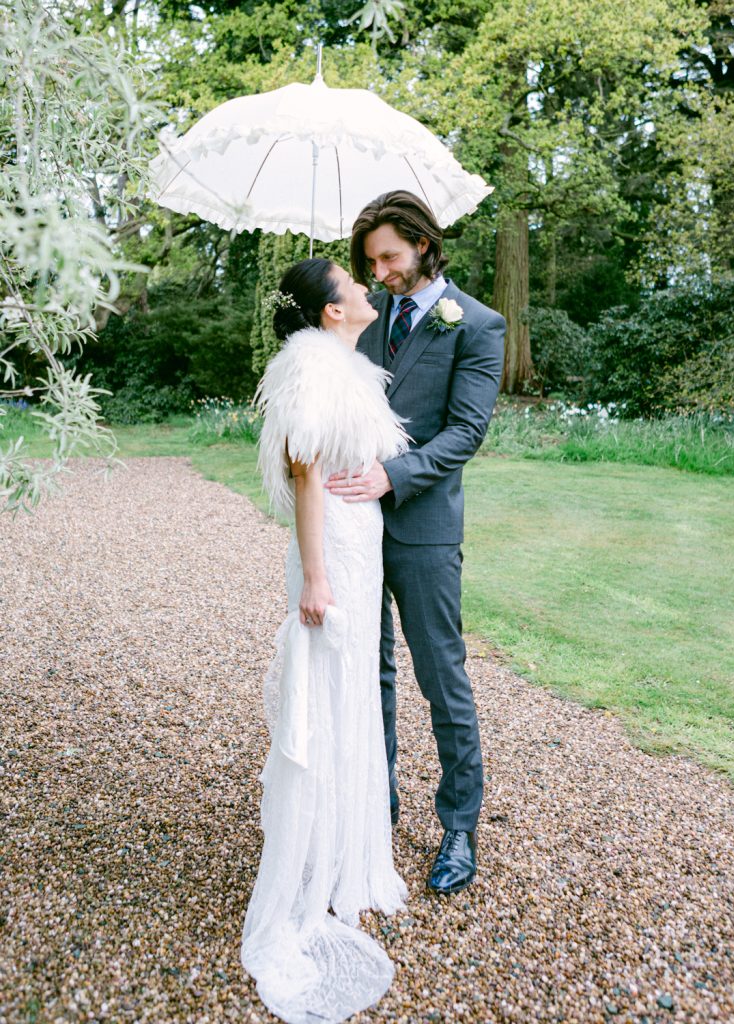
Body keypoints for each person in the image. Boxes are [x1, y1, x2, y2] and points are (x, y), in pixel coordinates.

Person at [241, 257, 410, 1024]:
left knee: (350, 699)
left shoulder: (346, 363)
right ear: (331, 310)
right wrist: (314, 575)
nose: (368, 287)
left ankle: (344, 858)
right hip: (332, 551)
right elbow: (306, 472)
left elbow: (346, 459)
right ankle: (311, 872)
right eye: (355, 281)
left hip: (359, 539)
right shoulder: (311, 366)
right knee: (326, 695)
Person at [326, 190, 505, 896]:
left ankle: (459, 825)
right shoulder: (363, 323)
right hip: (355, 530)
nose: (381, 271)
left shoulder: (478, 325)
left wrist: (390, 476)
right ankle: (380, 807)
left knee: (442, 678)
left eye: (391, 256)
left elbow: (466, 432)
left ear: (425, 245)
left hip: (425, 527)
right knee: (370, 675)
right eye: (370, 260)